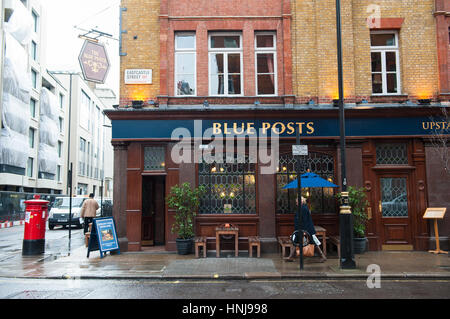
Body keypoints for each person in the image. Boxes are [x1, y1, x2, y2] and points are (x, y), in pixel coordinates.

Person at [286, 196, 327, 262]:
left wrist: (304, 231)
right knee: (295, 242)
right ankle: (291, 256)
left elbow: (305, 220)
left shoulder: (304, 208)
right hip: (300, 229)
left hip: (306, 229)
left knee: (313, 242)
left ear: (301, 202)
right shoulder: (301, 208)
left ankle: (322, 256)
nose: (296, 204)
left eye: (297, 202)